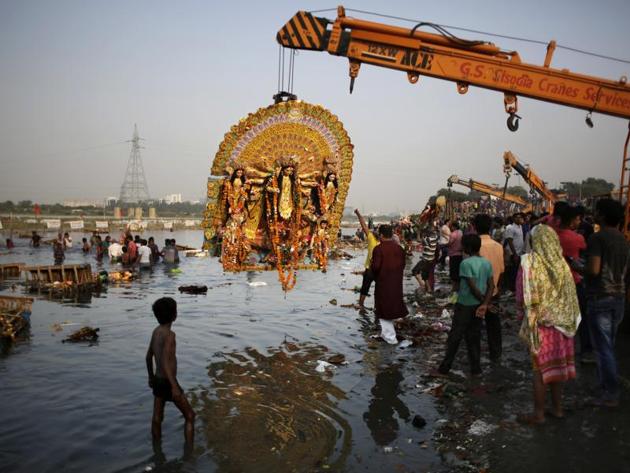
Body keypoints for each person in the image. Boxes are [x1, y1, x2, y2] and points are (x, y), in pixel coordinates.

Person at [516, 225, 581, 424]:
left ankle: (539, 413)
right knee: (557, 370)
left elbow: (521, 295)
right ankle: (558, 409)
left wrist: (522, 316)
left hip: (540, 326)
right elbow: (571, 294)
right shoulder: (562, 264)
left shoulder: (529, 263)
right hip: (563, 326)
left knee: (539, 371)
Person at [584, 198, 630, 407]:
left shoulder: (597, 238)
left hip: (600, 296)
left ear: (601, 215)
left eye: (596, 211)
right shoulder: (622, 239)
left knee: (602, 348)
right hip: (619, 298)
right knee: (608, 345)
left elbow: (593, 269)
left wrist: (576, 267)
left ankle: (610, 393)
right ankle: (606, 384)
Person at [433, 234, 493, 377]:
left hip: (465, 305)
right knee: (474, 337)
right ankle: (476, 369)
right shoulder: (486, 263)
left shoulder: (465, 264)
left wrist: (483, 302)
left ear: (467, 247)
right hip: (479, 305)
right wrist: (485, 303)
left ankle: (444, 368)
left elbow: (472, 287)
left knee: (455, 337)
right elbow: (491, 285)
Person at [145, 297, 195, 444]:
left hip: (159, 380)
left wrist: (151, 377)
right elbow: (166, 363)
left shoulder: (156, 331)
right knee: (190, 416)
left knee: (157, 418)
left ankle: (156, 448)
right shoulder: (170, 335)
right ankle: (189, 455)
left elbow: (148, 357)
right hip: (169, 382)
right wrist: (174, 387)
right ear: (174, 315)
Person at [556, 206, 589, 360]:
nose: (579, 221)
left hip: (557, 283)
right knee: (582, 318)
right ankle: (586, 350)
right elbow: (584, 257)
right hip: (575, 281)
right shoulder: (578, 238)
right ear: (571, 220)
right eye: (577, 219)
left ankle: (560, 350)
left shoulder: (551, 236)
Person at [473, 213, 505, 361]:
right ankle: (496, 354)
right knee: (494, 325)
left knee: (474, 326)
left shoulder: (473, 247)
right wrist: (498, 290)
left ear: (474, 227)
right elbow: (502, 270)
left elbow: (469, 275)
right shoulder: (498, 247)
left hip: (477, 293)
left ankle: (475, 357)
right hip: (494, 292)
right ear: (491, 226)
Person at [370, 225, 408, 344]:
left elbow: (376, 267)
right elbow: (403, 265)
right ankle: (385, 334)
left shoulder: (378, 249)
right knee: (392, 305)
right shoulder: (399, 248)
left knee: (384, 308)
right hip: (396, 282)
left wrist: (371, 265)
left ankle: (390, 337)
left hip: (383, 282)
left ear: (381, 235)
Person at [355, 209, 379, 309]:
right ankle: (375, 307)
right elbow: (364, 225)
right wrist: (358, 214)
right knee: (374, 289)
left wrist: (358, 214)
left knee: (365, 287)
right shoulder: (382, 241)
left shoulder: (371, 238)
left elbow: (364, 225)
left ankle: (361, 304)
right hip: (377, 270)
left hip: (371, 270)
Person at [412, 226, 438, 292]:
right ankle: (429, 289)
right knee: (425, 275)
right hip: (430, 260)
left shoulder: (428, 239)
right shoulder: (435, 238)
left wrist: (418, 233)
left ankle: (422, 285)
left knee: (414, 271)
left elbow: (418, 240)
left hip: (425, 260)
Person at [503, 213, 525, 291]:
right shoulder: (511, 228)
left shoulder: (520, 227)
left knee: (517, 271)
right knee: (513, 271)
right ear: (514, 219)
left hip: (520, 253)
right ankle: (511, 288)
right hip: (513, 253)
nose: (519, 219)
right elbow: (510, 241)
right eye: (517, 217)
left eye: (520, 217)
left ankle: (515, 287)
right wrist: (515, 254)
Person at [447, 221, 463, 292]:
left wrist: (443, 245)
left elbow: (449, 243)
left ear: (454, 226)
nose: (450, 228)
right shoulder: (460, 232)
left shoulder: (453, 234)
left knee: (453, 274)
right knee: (458, 272)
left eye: (451, 226)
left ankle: (454, 289)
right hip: (460, 254)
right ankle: (458, 288)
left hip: (453, 255)